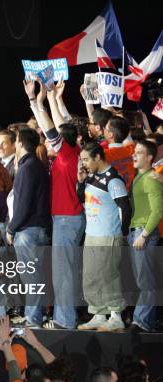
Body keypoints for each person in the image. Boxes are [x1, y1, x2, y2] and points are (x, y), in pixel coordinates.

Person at [26, 79, 85, 330]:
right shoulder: (74, 150)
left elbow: (49, 125)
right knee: (64, 270)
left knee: (63, 271)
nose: (50, 140)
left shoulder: (68, 151)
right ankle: (65, 317)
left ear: (63, 140)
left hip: (67, 218)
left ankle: (65, 319)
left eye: (55, 138)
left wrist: (35, 100)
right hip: (67, 218)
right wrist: (49, 97)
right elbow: (59, 123)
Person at [77, 142, 131, 332]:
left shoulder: (113, 180)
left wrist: (120, 235)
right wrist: (81, 181)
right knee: (91, 277)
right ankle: (99, 314)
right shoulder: (91, 178)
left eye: (85, 159)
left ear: (97, 157)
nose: (83, 163)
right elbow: (81, 200)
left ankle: (116, 317)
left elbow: (125, 208)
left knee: (108, 277)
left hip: (108, 236)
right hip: (91, 234)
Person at [6, 127, 50, 327]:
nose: (14, 145)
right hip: (38, 229)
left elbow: (23, 204)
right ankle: (34, 316)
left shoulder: (27, 167)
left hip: (28, 231)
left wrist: (11, 228)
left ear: (21, 143)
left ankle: (33, 318)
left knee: (31, 277)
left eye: (15, 141)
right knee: (35, 276)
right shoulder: (38, 165)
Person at [127, 139, 163, 333]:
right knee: (143, 281)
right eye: (134, 151)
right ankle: (145, 321)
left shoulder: (151, 179)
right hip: (136, 232)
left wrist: (145, 234)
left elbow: (158, 211)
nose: (134, 154)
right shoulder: (140, 177)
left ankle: (141, 321)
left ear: (149, 158)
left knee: (146, 282)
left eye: (139, 152)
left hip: (144, 233)